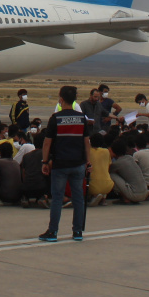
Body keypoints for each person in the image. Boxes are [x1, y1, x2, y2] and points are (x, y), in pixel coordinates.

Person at [39, 86, 92, 242]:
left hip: (60, 164)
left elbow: (47, 143)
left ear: (61, 99)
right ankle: (77, 231)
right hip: (78, 163)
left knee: (57, 198)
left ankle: (53, 231)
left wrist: (45, 161)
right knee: (78, 198)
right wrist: (88, 161)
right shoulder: (82, 118)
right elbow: (86, 142)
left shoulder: (55, 118)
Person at [108, 138, 149, 204]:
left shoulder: (117, 163)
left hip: (135, 194)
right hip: (144, 193)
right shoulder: (130, 158)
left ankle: (126, 199)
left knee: (111, 175)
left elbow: (107, 171)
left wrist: (109, 157)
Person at [87, 133, 114, 205]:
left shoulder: (88, 152)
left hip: (92, 186)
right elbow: (109, 165)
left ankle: (94, 196)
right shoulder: (106, 151)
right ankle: (103, 199)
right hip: (108, 185)